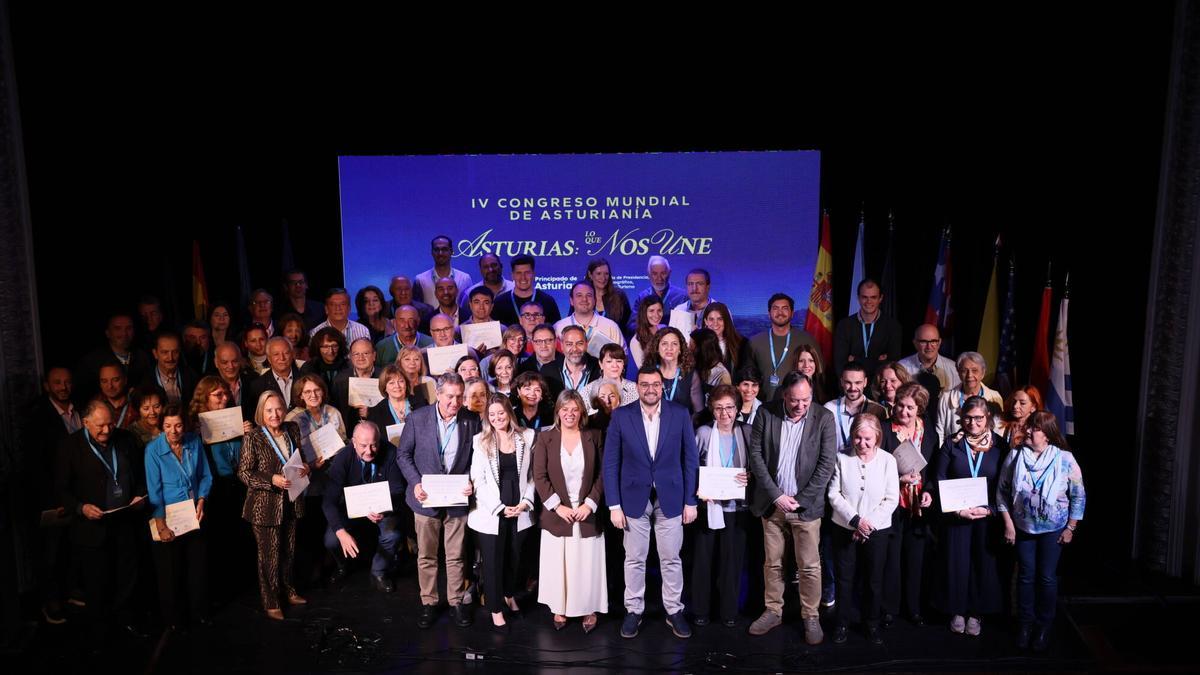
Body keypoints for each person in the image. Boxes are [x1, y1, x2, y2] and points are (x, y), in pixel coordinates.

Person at [603, 365, 699, 639]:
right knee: (634, 559)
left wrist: (690, 500)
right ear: (638, 387)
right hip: (633, 499)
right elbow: (611, 463)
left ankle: (673, 610)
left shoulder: (679, 414)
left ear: (662, 387)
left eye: (655, 384)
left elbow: (690, 459)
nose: (650, 389)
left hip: (671, 497)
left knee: (671, 558)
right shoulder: (622, 416)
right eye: (644, 384)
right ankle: (633, 610)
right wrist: (614, 505)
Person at [746, 372, 837, 644]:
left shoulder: (824, 418)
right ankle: (773, 610)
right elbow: (756, 456)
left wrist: (801, 499)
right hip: (772, 505)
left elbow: (826, 464)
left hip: (805, 507)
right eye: (795, 400)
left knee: (809, 565)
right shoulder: (766, 413)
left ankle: (811, 616)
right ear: (784, 395)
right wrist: (776, 496)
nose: (800, 405)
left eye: (806, 400)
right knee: (772, 562)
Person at [54, 399, 147, 647]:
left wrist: (139, 494)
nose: (107, 430)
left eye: (110, 425)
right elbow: (61, 489)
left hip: (125, 521)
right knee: (97, 583)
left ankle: (127, 622)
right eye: (100, 426)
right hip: (91, 528)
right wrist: (80, 507)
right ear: (85, 423)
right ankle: (100, 634)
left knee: (127, 577)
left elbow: (140, 476)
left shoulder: (125, 439)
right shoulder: (70, 447)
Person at [395, 372, 482, 629]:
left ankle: (456, 601)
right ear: (438, 394)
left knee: (456, 556)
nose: (455, 402)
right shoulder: (417, 418)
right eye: (450, 396)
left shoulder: (471, 420)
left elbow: (478, 459)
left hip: (456, 500)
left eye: (459, 397)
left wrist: (472, 482)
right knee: (426, 555)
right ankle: (429, 602)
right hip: (425, 499)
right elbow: (403, 455)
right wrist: (416, 483)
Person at [997, 411, 1085, 652]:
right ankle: (1025, 624)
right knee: (1026, 576)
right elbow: (1001, 491)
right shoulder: (1015, 456)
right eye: (1028, 427)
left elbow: (1078, 495)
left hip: (1053, 530)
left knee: (1046, 577)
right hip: (1023, 528)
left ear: (1046, 435)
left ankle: (1044, 625)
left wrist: (1071, 527)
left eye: (1033, 429)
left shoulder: (1065, 459)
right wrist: (1008, 523)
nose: (1027, 431)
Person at [930, 395, 1008, 637]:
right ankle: (957, 610)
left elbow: (1004, 484)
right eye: (968, 418)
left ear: (987, 419)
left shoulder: (999, 445)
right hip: (957, 516)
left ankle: (976, 612)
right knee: (957, 563)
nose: (973, 423)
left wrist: (991, 509)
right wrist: (956, 510)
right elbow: (939, 478)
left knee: (982, 564)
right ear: (961, 418)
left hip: (987, 516)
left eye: (978, 418)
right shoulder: (952, 444)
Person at [533, 390, 607, 632]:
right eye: (565, 409)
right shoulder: (545, 438)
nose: (570, 414)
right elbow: (540, 476)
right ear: (558, 412)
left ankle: (589, 607)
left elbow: (602, 474)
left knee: (587, 564)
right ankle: (560, 607)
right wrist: (557, 507)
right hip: (558, 513)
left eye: (575, 409)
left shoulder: (594, 436)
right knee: (558, 564)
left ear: (582, 413)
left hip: (587, 510)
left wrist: (590, 504)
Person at [827, 413, 899, 645]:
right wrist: (856, 520)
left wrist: (868, 524)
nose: (862, 444)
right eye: (858, 438)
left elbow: (891, 499)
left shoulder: (888, 460)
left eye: (868, 439)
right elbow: (833, 494)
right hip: (845, 527)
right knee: (844, 579)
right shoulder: (841, 458)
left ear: (877, 437)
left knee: (873, 580)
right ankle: (841, 624)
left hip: (877, 531)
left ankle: (871, 624)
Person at [468, 394, 536, 630]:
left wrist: (526, 502)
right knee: (494, 562)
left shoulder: (527, 436)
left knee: (515, 559)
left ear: (509, 413)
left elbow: (533, 476)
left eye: (501, 413)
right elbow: (478, 479)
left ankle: (509, 594)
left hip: (520, 511)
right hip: (491, 512)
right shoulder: (480, 440)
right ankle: (496, 608)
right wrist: (498, 507)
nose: (497, 418)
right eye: (492, 414)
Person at [239, 391, 308, 620]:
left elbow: (299, 458)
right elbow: (244, 473)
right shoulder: (253, 438)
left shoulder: (292, 429)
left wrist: (305, 467)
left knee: (289, 550)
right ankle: (271, 601)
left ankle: (289, 590)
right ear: (261, 412)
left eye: (278, 408)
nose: (275, 414)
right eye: (269, 410)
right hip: (265, 506)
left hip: (291, 499)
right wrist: (271, 480)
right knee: (269, 555)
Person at [145, 404, 212, 630]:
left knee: (197, 566)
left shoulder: (193, 442)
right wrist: (161, 524)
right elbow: (154, 491)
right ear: (161, 426)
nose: (173, 431)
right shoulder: (153, 450)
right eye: (167, 426)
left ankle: (198, 612)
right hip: (168, 515)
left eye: (178, 425)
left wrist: (202, 499)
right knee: (170, 571)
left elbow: (205, 476)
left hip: (193, 513)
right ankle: (173, 620)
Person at [691, 385, 752, 628]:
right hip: (709, 507)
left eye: (729, 407)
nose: (724, 413)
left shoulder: (746, 432)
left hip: (738, 510)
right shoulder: (704, 433)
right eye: (718, 408)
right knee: (704, 563)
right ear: (711, 410)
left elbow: (756, 466)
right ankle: (701, 611)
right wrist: (698, 488)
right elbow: (691, 466)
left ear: (737, 409)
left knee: (732, 564)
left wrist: (750, 476)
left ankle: (728, 611)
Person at [324, 421, 407, 593]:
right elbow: (329, 501)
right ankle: (343, 565)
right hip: (350, 508)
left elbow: (398, 489)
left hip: (383, 507)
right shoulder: (343, 458)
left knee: (392, 535)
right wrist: (341, 532)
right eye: (363, 446)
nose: (369, 451)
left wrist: (382, 509)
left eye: (373, 445)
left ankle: (378, 572)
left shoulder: (391, 453)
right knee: (331, 539)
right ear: (353, 442)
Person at [880, 382, 937, 627]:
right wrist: (898, 479)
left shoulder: (930, 433)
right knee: (891, 559)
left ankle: (913, 608)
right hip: (892, 505)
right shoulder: (885, 430)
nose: (903, 412)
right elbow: (876, 470)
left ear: (920, 408)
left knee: (916, 559)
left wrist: (929, 492)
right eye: (900, 406)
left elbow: (935, 470)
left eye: (910, 408)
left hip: (919, 508)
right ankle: (889, 608)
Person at [285, 374, 348, 586]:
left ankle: (334, 562)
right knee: (311, 526)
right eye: (307, 392)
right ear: (300, 395)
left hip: (333, 477)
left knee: (330, 523)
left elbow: (345, 442)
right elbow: (289, 453)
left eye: (317, 390)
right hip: (308, 482)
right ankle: (315, 566)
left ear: (323, 391)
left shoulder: (333, 412)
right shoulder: (292, 418)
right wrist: (311, 465)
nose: (313, 395)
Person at [749, 293, 818, 401]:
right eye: (775, 308)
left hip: (797, 406)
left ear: (792, 313)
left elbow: (818, 374)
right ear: (769, 313)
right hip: (762, 406)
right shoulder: (755, 342)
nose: (780, 312)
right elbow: (748, 377)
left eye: (785, 308)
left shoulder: (807, 340)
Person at [832, 279, 903, 380]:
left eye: (873, 297)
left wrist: (855, 359)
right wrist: (878, 362)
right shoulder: (844, 325)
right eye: (864, 297)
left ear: (880, 298)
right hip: (852, 386)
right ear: (858, 298)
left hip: (881, 387)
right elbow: (840, 365)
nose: (869, 302)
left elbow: (893, 365)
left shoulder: (893, 326)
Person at [77, 313, 153, 402]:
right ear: (108, 333)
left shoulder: (142, 357)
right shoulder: (92, 361)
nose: (124, 333)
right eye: (117, 328)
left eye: (128, 328)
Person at [934, 352, 1005, 447]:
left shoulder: (994, 397)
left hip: (985, 451)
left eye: (974, 370)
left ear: (983, 373)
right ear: (958, 373)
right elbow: (940, 432)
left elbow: (999, 431)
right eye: (964, 371)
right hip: (954, 452)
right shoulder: (946, 397)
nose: (969, 375)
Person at [824, 363, 888, 452]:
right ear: (842, 382)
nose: (853, 387)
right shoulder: (829, 408)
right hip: (835, 463)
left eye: (858, 383)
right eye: (848, 382)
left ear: (865, 382)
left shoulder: (877, 410)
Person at [643, 327, 701, 414]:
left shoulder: (691, 375)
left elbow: (698, 411)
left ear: (680, 349)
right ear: (657, 348)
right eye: (664, 344)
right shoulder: (648, 373)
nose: (669, 348)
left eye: (674, 344)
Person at [493, 254, 562, 326]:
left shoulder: (548, 301)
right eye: (518, 273)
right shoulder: (499, 303)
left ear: (533, 274)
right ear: (512, 276)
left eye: (527, 273)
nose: (523, 277)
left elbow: (556, 331)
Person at [243, 337, 301, 421]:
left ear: (292, 354)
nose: (282, 358)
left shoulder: (304, 378)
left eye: (286, 353)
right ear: (269, 358)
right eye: (276, 354)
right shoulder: (258, 385)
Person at [553, 281, 625, 348]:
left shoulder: (611, 327)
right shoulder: (558, 327)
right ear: (571, 301)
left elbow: (623, 356)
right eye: (579, 295)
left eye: (589, 295)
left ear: (595, 300)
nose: (584, 299)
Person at [627, 255, 687, 335]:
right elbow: (632, 325)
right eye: (654, 274)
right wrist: (650, 329)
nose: (659, 278)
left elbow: (687, 325)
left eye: (663, 273)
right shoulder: (642, 297)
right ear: (648, 274)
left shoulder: (682, 296)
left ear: (669, 273)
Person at [540, 325, 601, 400]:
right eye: (569, 344)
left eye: (580, 343)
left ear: (586, 344)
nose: (575, 349)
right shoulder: (547, 371)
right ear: (562, 346)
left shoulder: (599, 368)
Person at [897, 324, 962, 393]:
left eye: (933, 341)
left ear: (939, 342)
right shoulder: (901, 367)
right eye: (923, 342)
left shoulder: (954, 369)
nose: (929, 347)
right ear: (915, 343)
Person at [413, 235, 474, 308]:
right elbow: (417, 308)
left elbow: (469, 307)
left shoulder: (464, 279)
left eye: (444, 249)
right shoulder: (420, 280)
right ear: (432, 252)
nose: (440, 253)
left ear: (451, 251)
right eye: (436, 250)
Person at [332, 338, 381, 426]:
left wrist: (372, 412)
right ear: (351, 357)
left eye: (365, 353)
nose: (361, 358)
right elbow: (336, 410)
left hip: (379, 429)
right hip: (349, 432)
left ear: (374, 355)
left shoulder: (385, 377)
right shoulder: (340, 379)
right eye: (356, 354)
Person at [579, 343, 638, 414]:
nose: (615, 365)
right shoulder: (587, 391)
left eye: (619, 361)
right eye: (609, 361)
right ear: (601, 364)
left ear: (623, 364)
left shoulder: (635, 389)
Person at [143, 331, 198, 406]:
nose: (170, 358)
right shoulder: (145, 381)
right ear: (155, 354)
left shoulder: (191, 376)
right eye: (165, 352)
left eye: (175, 352)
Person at [585, 257, 632, 335]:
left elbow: (628, 325)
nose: (603, 278)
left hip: (615, 344)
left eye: (606, 274)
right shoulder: (582, 296)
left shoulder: (619, 296)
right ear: (590, 275)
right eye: (599, 273)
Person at [702, 302, 751, 374]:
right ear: (705, 321)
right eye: (711, 319)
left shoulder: (742, 344)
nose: (715, 323)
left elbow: (747, 372)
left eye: (720, 319)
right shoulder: (698, 345)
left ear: (726, 321)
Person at [366, 364, 416, 433]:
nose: (397, 386)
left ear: (406, 383)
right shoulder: (376, 412)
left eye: (401, 381)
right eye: (391, 383)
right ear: (385, 387)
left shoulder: (420, 403)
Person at [691, 327, 732, 410]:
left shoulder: (722, 375)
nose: (689, 349)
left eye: (692, 345)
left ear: (701, 349)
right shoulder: (695, 366)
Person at [301, 326, 349, 393]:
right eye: (325, 346)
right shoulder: (309, 367)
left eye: (334, 346)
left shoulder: (348, 366)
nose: (330, 351)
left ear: (340, 346)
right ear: (318, 348)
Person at [629, 295, 666, 371]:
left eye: (659, 310)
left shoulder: (665, 329)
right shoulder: (636, 341)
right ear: (644, 312)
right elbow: (643, 369)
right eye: (651, 311)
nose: (656, 315)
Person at [213, 342, 253, 409]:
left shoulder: (253, 381)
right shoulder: (208, 386)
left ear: (240, 360)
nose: (231, 366)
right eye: (225, 362)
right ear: (216, 363)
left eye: (235, 361)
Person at [98, 363, 133, 429]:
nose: (110, 386)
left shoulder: (137, 402)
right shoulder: (93, 406)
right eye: (104, 381)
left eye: (115, 380)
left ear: (125, 380)